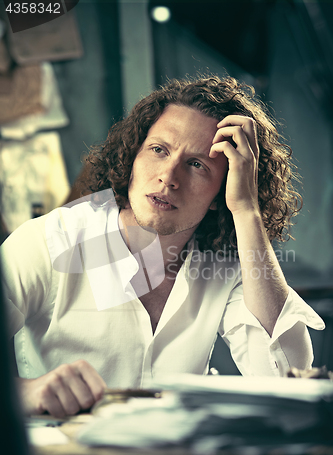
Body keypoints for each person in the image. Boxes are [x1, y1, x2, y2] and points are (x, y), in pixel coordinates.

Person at [1, 75, 325, 418]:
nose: (169, 177)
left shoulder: (225, 265)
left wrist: (246, 209)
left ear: (221, 191)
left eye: (197, 164)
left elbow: (284, 373)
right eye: (159, 150)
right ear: (133, 156)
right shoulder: (52, 241)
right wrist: (27, 392)